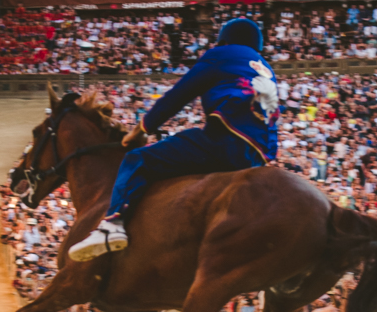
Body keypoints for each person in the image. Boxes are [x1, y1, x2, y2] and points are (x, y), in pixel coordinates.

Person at [68, 18, 279, 262]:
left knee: (137, 159)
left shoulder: (222, 54)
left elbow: (180, 93)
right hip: (257, 156)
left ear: (224, 40)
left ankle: (112, 225)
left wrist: (143, 128)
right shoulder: (265, 67)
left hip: (225, 140)